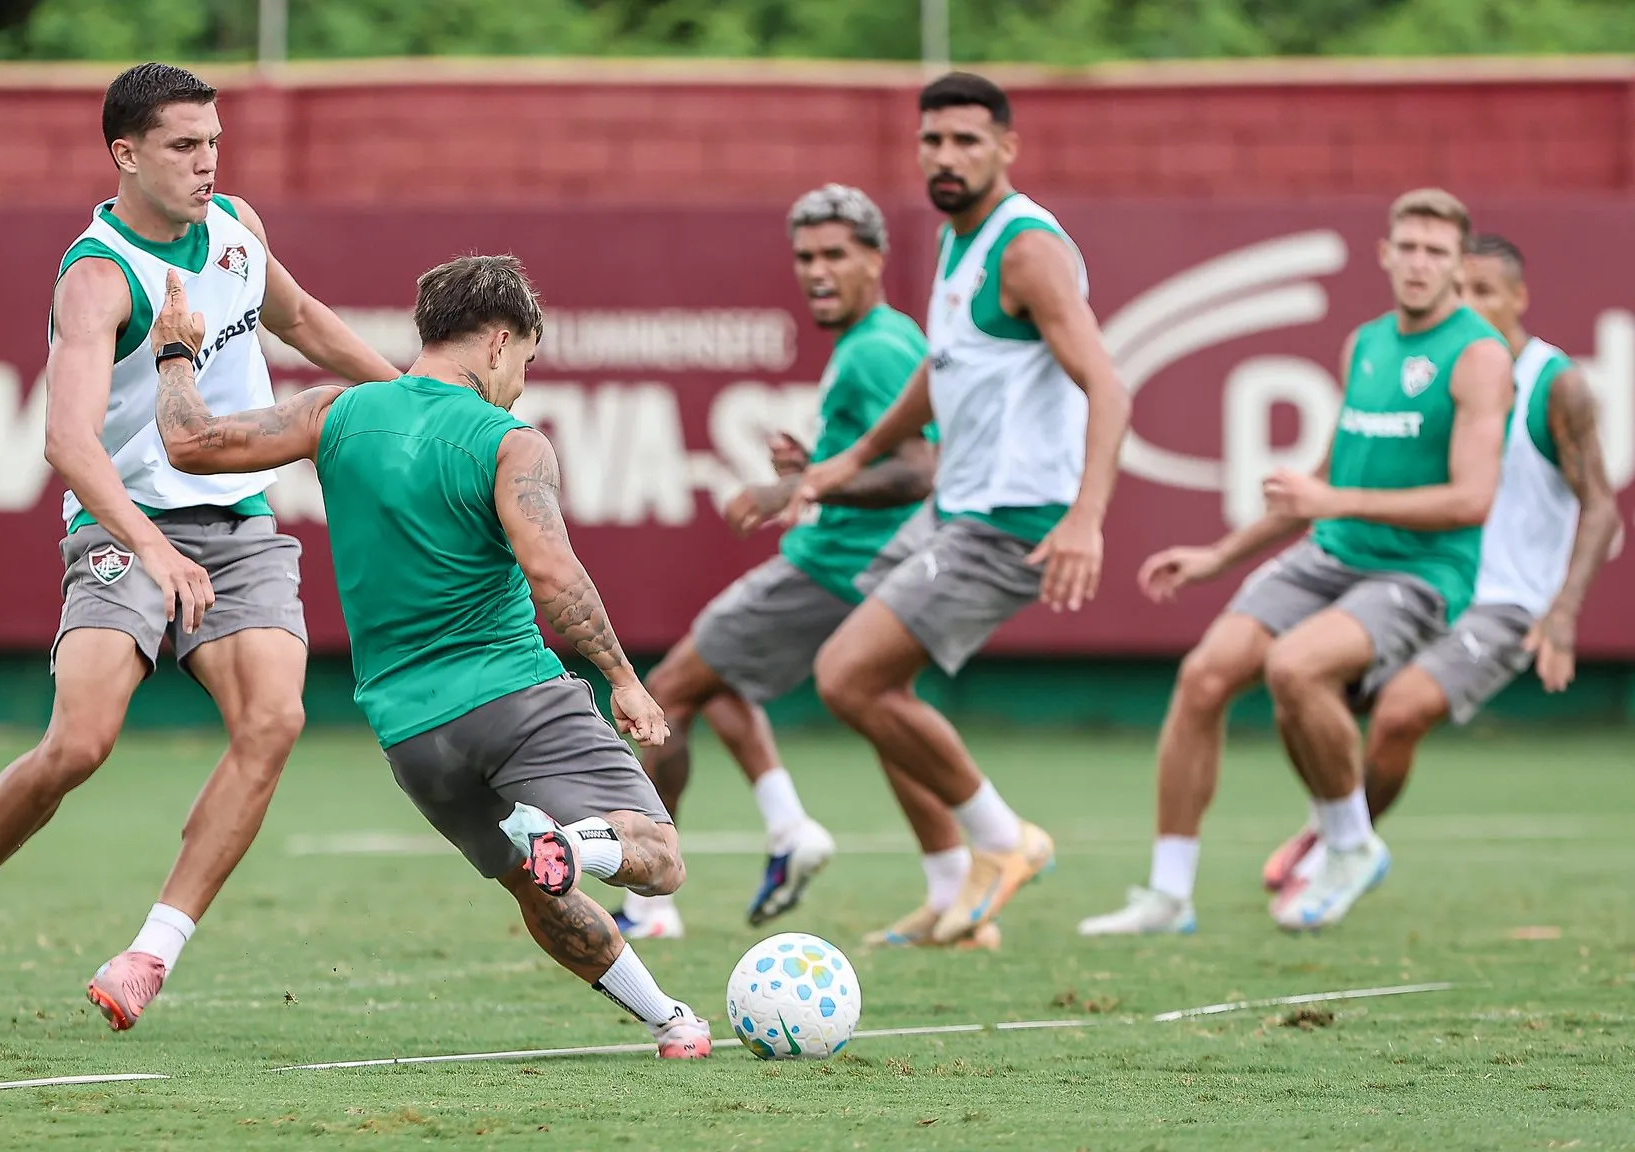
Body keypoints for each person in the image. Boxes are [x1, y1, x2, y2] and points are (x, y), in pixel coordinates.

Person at [0, 62, 400, 1031]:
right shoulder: (97, 277)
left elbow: (302, 323)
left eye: (213, 142)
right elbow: (67, 443)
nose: (206, 163)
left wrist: (414, 400)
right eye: (182, 146)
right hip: (122, 528)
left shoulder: (236, 230)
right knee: (79, 742)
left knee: (274, 721)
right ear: (124, 154)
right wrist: (154, 551)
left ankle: (150, 952)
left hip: (238, 524)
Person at [153, 254, 714, 1058]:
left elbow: (190, 442)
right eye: (524, 358)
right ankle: (581, 845)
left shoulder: (336, 415)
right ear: (495, 343)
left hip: (412, 738)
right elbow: (555, 577)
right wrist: (623, 678)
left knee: (534, 887)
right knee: (658, 858)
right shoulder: (509, 442)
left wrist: (174, 352)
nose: (521, 380)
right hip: (513, 695)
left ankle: (668, 1020)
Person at [1080, 188, 1510, 936]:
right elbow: (1321, 482)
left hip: (1418, 573)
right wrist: (1217, 555)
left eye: (1436, 252)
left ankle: (1349, 845)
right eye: (1406, 247)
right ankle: (1168, 894)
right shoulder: (1366, 343)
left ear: (1458, 265)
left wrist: (1339, 502)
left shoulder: (1478, 357)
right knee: (1204, 676)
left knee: (1296, 669)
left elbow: (1472, 500)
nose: (1418, 263)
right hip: (1329, 552)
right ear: (1384, 253)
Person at [795, 71, 1132, 945]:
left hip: (1011, 519)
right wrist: (854, 460)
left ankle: (1003, 840)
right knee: (879, 686)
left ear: (1006, 149)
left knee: (847, 676)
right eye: (933, 141)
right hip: (958, 510)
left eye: (966, 141)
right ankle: (956, 895)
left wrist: (1086, 518)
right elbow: (938, 371)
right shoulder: (957, 240)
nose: (946, 157)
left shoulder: (1027, 250)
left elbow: (1107, 385)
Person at [617, 183, 967, 944]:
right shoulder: (888, 338)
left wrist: (799, 483)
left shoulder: (876, 346)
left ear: (876, 259)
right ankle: (949, 892)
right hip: (871, 566)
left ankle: (649, 902)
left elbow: (918, 470)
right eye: (805, 256)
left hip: (829, 566)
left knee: (667, 693)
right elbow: (887, 466)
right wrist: (822, 464)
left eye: (836, 254)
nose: (816, 270)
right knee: (876, 714)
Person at [1260, 233, 1624, 899]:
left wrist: (1564, 611)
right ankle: (1337, 829)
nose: (1473, 305)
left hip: (1508, 599)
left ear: (1520, 298)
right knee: (1300, 684)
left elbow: (1601, 507)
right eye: (1465, 291)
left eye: (1487, 292)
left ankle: (1335, 846)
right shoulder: (1428, 372)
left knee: (1400, 712)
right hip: (1425, 577)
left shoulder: (1555, 385)